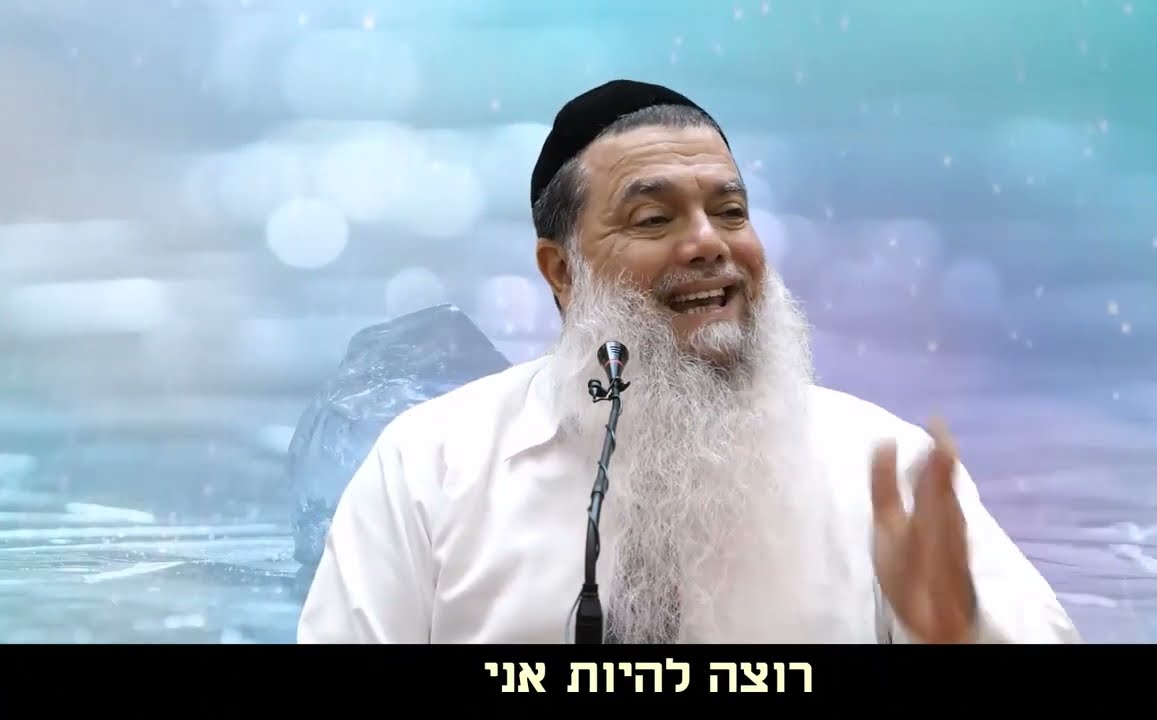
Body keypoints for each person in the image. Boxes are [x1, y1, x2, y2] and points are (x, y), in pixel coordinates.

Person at [296, 79, 1082, 644]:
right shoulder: (429, 468)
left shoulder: (883, 472)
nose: (709, 242)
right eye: (654, 218)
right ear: (562, 272)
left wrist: (956, 637)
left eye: (730, 211)